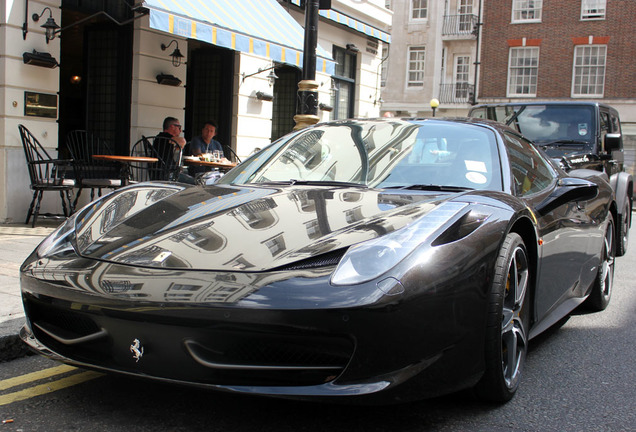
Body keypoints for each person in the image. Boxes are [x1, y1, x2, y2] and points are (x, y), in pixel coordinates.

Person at [156, 116, 194, 184]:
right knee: (195, 182)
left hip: (165, 172)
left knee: (187, 172)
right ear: (172, 127)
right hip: (166, 174)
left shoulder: (162, 138)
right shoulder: (164, 137)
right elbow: (182, 141)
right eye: (179, 127)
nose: (180, 130)